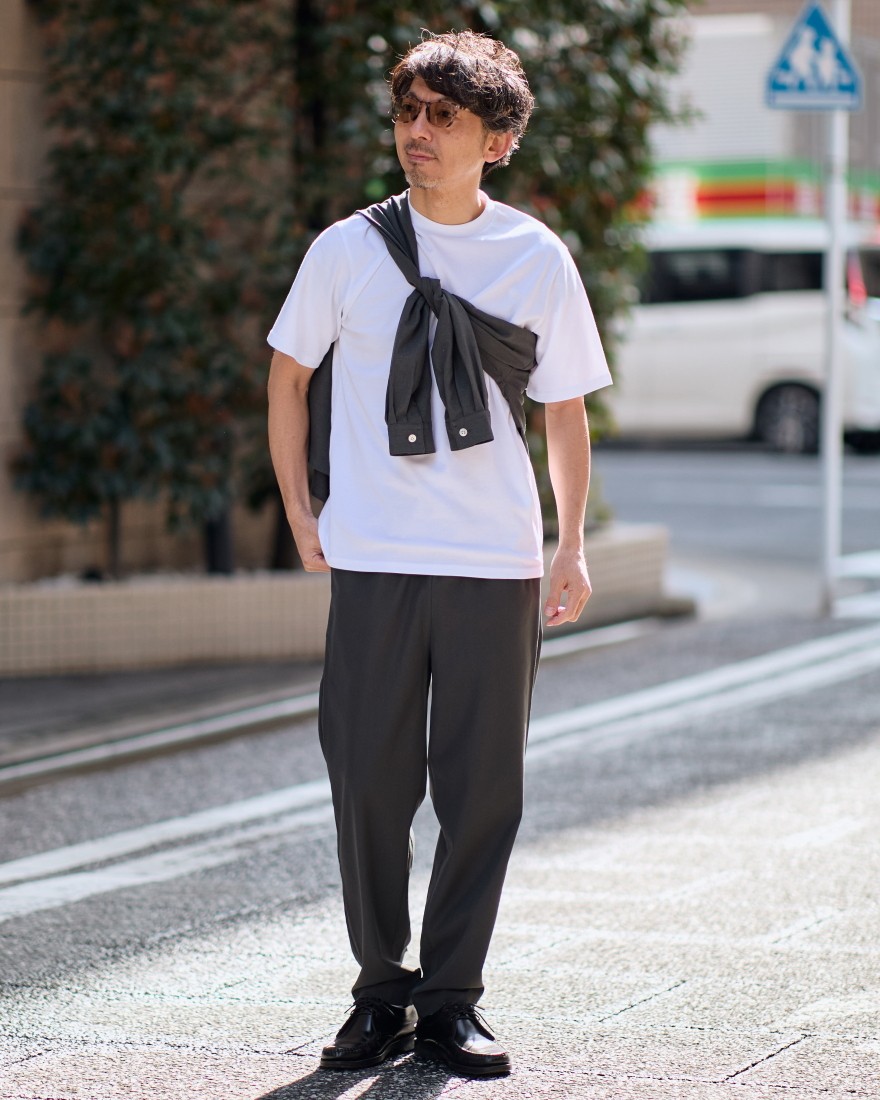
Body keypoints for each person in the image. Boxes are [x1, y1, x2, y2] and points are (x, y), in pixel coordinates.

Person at [266, 30, 611, 1078]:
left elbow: (564, 411)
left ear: (495, 141)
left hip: (495, 560)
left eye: (442, 116)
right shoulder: (345, 250)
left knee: (482, 790)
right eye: (407, 111)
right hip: (375, 555)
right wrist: (300, 512)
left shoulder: (535, 256)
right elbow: (287, 376)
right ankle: (380, 993)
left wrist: (570, 544)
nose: (417, 131)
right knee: (367, 781)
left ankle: (452, 998)